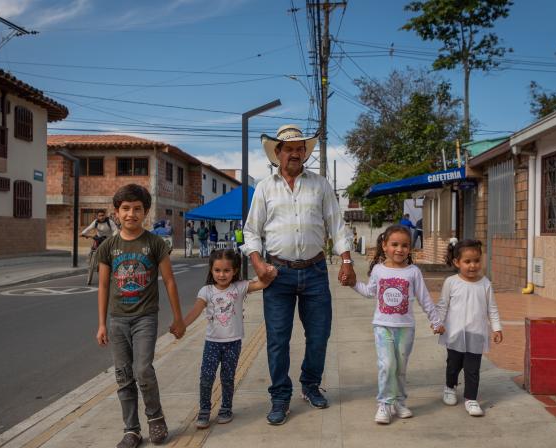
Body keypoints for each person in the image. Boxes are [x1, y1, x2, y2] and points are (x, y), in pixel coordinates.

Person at [243, 124, 354, 425]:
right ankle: (280, 397)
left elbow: (336, 224)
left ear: (305, 153)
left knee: (319, 335)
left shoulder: (320, 185)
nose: (295, 153)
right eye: (288, 149)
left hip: (316, 272)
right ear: (277, 153)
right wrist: (257, 264)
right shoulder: (266, 188)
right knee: (278, 340)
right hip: (277, 274)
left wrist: (346, 260)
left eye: (299, 149)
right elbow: (251, 232)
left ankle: (310, 385)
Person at [96, 184, 186, 448]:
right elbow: (102, 286)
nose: (131, 214)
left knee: (143, 370)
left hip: (145, 318)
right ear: (116, 213)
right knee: (123, 375)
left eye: (137, 209)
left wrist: (178, 319)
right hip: (117, 319)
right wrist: (101, 323)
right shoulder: (108, 247)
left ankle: (155, 418)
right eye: (125, 209)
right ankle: (131, 430)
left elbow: (169, 281)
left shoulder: (155, 243)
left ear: (145, 213)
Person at [345, 224, 443, 424]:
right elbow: (369, 292)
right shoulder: (379, 271)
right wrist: (353, 283)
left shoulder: (413, 272)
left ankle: (399, 401)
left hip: (406, 328)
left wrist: (436, 321)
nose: (400, 249)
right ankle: (384, 403)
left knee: (400, 368)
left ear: (410, 248)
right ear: (385, 246)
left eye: (405, 245)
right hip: (383, 326)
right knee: (387, 365)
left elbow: (424, 299)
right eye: (395, 244)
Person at [183, 249, 273, 428]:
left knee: (227, 377)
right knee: (206, 377)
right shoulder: (206, 291)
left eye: (226, 270)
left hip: (233, 343)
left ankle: (226, 408)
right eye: (217, 270)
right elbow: (196, 310)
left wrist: (269, 271)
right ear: (211, 270)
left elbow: (262, 284)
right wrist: (182, 324)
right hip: (212, 343)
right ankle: (204, 410)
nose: (222, 275)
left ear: (235, 271)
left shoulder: (239, 287)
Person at [436, 239, 503, 417]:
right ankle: (450, 387)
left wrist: (497, 328)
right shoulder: (451, 282)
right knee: (453, 365)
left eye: (476, 261)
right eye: (467, 261)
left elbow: (492, 308)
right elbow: (443, 305)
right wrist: (438, 323)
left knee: (472, 368)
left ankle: (471, 399)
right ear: (457, 262)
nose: (473, 265)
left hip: (476, 334)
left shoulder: (485, 284)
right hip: (455, 333)